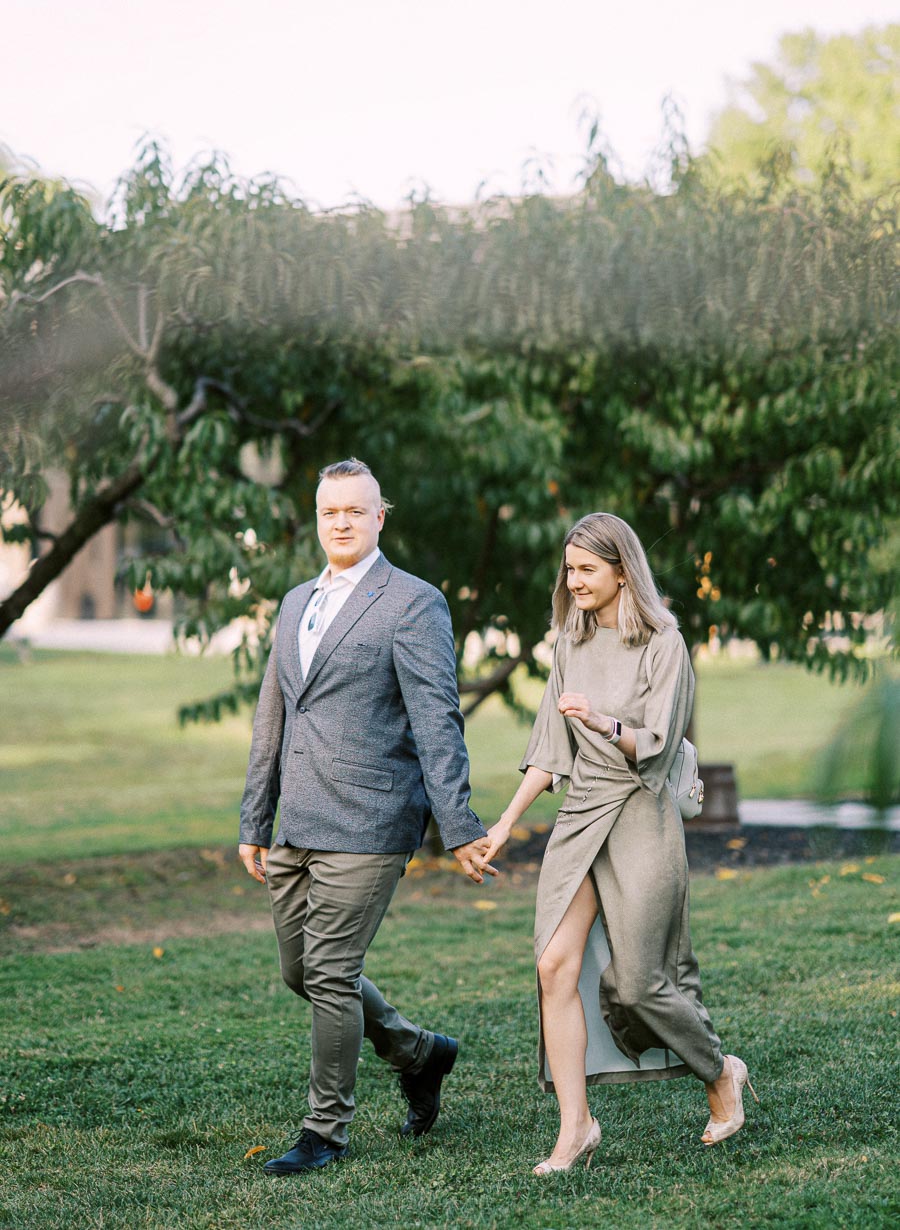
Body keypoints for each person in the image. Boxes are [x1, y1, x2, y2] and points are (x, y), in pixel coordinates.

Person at [238, 458, 495, 1175]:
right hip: (298, 820)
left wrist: (461, 826)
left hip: (372, 819)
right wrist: (254, 817)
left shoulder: (412, 602)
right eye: (330, 512)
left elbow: (438, 721)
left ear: (380, 517)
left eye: (356, 510)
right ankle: (419, 1052)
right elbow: (273, 713)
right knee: (303, 971)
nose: (342, 522)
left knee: (329, 970)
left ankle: (325, 1131)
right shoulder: (294, 602)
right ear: (316, 519)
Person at [483, 512, 757, 1175]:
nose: (572, 580)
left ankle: (720, 1070)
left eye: (585, 569)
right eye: (568, 569)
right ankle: (576, 1127)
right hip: (580, 818)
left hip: (639, 816)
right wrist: (501, 826)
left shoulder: (665, 644)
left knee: (639, 984)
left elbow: (655, 750)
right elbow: (548, 753)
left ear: (621, 571)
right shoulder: (569, 645)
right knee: (553, 965)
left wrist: (606, 723)